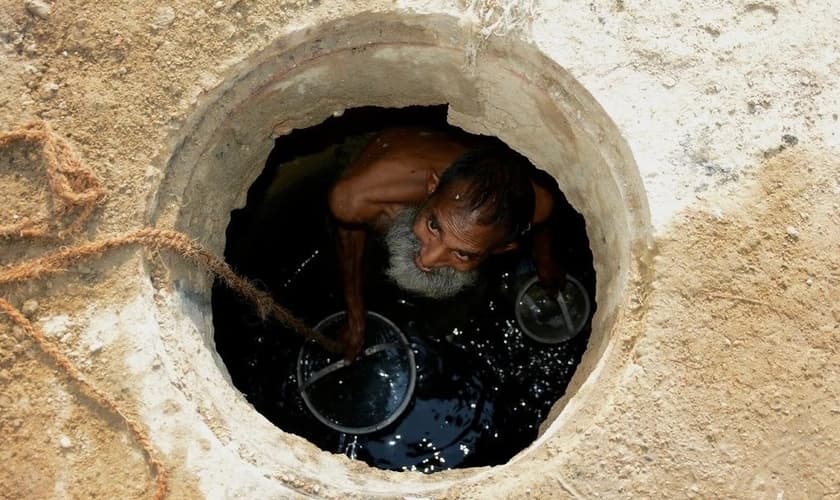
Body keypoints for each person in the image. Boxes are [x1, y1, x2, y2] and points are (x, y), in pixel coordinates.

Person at [328, 127, 566, 359]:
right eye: (433, 226)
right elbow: (347, 238)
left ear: (502, 249)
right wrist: (355, 309)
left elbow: (539, 222)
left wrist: (544, 258)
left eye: (462, 254)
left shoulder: (539, 204)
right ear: (432, 186)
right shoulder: (356, 199)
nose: (427, 259)